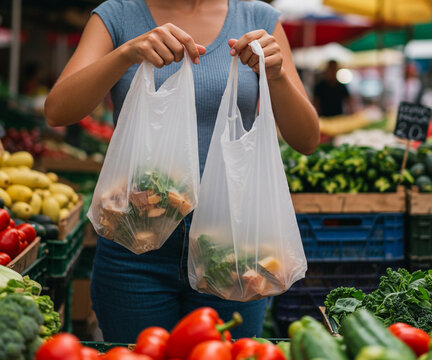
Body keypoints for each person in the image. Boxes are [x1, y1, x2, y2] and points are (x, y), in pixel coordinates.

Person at [45, 0, 320, 342]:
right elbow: (58, 111)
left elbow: (307, 139)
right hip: (134, 241)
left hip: (232, 246)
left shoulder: (258, 19)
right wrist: (127, 53)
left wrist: (275, 76)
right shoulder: (116, 15)